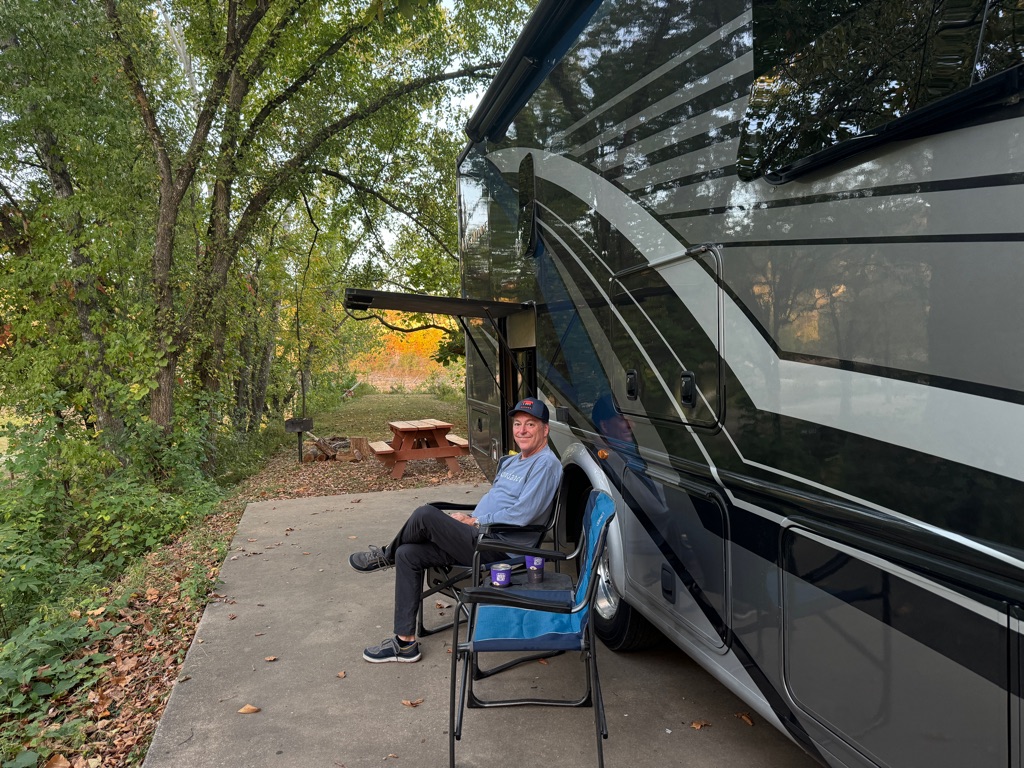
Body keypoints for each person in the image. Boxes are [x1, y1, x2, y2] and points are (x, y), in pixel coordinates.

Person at [349, 398, 563, 663]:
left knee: (426, 514)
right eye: (518, 424)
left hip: (500, 548)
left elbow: (524, 514)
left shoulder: (546, 464)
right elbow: (498, 501)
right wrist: (471, 518)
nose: (522, 430)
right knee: (408, 553)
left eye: (530, 424)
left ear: (545, 429)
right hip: (479, 535)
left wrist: (476, 521)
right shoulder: (512, 461)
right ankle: (405, 644)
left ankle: (384, 555)